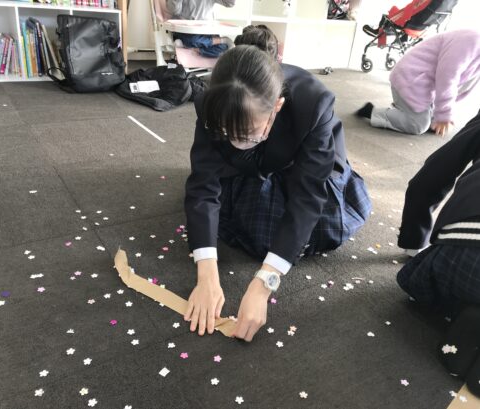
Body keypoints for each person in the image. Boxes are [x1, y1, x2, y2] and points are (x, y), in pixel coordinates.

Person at [183, 45, 371, 342]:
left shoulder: (313, 103)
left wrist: (263, 284)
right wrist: (206, 275)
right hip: (248, 168)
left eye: (246, 133)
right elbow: (203, 184)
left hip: (305, 166)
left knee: (319, 226)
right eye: (227, 132)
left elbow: (307, 196)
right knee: (253, 226)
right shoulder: (211, 103)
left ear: (277, 107)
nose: (235, 140)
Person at [396, 111, 480, 396]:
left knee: (428, 280)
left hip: (462, 253)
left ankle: (464, 305)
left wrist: (413, 241)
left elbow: (432, 176)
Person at [356, 29, 480, 136]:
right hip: (411, 78)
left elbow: (463, 87)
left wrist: (441, 112)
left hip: (426, 86)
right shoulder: (471, 41)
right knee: (418, 125)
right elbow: (447, 77)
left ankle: (408, 110)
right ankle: (374, 112)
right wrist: (444, 113)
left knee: (432, 122)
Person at [166, 0, 236, 58]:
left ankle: (193, 49)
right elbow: (175, 11)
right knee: (193, 41)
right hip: (186, 31)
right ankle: (222, 40)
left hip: (206, 31)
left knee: (224, 48)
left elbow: (230, 3)